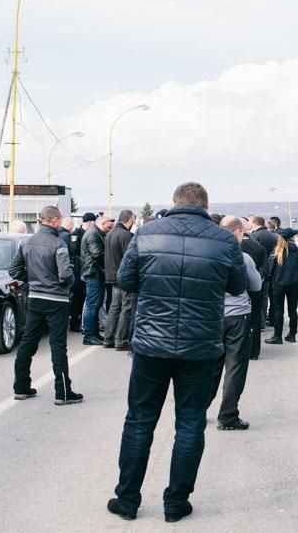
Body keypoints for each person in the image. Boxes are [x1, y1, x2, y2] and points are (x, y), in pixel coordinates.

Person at [108, 182, 247, 523]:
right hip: (199, 346)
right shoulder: (225, 239)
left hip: (151, 344)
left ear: (174, 202)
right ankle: (175, 502)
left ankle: (127, 499)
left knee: (139, 421)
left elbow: (126, 280)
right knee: (190, 424)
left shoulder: (147, 233)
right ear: (204, 205)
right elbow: (238, 286)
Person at [9, 206, 80, 405]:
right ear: (55, 220)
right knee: (58, 345)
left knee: (28, 341)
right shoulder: (58, 244)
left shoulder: (27, 242)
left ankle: (21, 386)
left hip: (35, 298)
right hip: (57, 299)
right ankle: (63, 392)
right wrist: (70, 283)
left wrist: (31, 280)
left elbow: (14, 270)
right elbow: (65, 274)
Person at [210, 216, 263, 430]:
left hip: (213, 316)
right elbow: (256, 285)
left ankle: (198, 409)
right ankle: (228, 415)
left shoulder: (209, 255)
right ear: (238, 232)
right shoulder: (243, 258)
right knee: (235, 367)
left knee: (210, 367)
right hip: (238, 316)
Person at [104, 210, 136, 350]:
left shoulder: (109, 234)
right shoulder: (126, 235)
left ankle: (108, 338)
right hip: (123, 277)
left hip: (111, 276)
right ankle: (121, 340)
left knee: (114, 308)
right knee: (126, 308)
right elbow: (129, 259)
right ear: (129, 220)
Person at [265, 229, 298, 344]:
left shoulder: (278, 251)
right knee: (292, 310)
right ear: (292, 238)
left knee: (278, 310)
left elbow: (271, 270)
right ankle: (292, 334)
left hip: (279, 284)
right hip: (293, 284)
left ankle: (277, 336)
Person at [240, 218, 270, 360]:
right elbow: (266, 267)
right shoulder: (258, 247)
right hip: (255, 288)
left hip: (237, 289)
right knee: (255, 320)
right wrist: (259, 277)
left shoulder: (232, 246)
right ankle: (254, 351)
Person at [81, 215, 113, 345]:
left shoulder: (96, 233)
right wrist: (111, 260)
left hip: (95, 272)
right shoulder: (94, 234)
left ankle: (93, 333)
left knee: (95, 304)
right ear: (103, 223)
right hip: (93, 273)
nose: (110, 229)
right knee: (92, 305)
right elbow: (97, 254)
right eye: (109, 226)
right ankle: (89, 335)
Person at [69, 213, 96, 332]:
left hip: (84, 269)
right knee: (78, 296)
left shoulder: (86, 234)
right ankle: (75, 322)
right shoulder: (76, 234)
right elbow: (75, 251)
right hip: (78, 269)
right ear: (90, 222)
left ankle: (80, 321)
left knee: (83, 297)